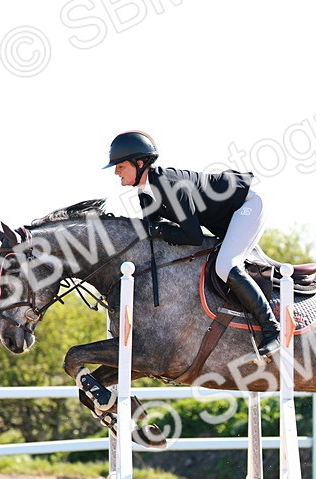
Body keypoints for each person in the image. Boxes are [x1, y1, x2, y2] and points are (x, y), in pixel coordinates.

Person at [105, 130, 281, 359]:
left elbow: (192, 236)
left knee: (225, 265)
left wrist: (157, 230)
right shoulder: (146, 194)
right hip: (225, 217)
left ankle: (272, 330)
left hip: (247, 206)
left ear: (139, 163)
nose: (116, 171)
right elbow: (153, 237)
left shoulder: (169, 185)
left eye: (120, 165)